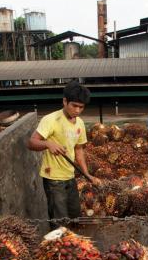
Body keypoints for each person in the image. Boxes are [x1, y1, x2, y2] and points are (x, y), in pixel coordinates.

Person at [27, 80, 100, 228]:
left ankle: (74, 244)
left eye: (81, 107)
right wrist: (47, 143)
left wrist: (87, 175)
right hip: (53, 178)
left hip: (70, 176)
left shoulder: (79, 123)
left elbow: (79, 150)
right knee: (59, 220)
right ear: (65, 101)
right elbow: (31, 142)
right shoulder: (51, 120)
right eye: (74, 106)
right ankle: (57, 246)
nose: (78, 110)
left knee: (74, 215)